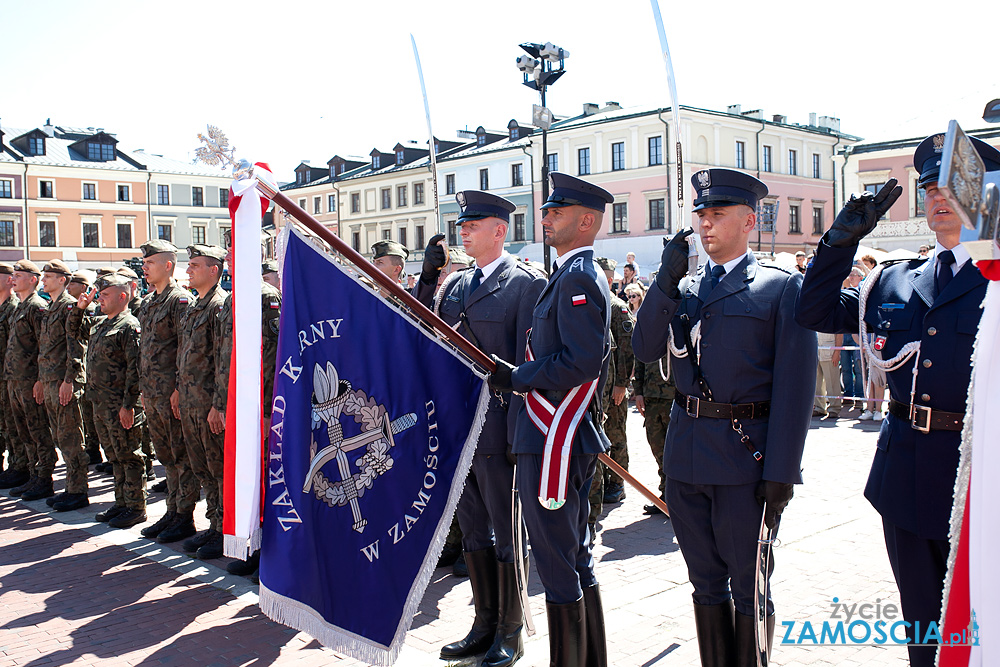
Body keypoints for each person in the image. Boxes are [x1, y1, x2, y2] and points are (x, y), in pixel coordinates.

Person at [794, 133, 1000, 667]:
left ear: (988, 194)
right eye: (928, 185)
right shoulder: (894, 280)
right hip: (906, 475)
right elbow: (812, 312)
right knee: (924, 632)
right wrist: (839, 241)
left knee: (982, 630)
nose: (936, 196)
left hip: (978, 481)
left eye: (953, 185)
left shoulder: (995, 281)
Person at [632, 168, 817, 666]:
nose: (705, 225)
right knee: (704, 581)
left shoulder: (781, 288)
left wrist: (782, 471)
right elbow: (645, 347)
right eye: (702, 215)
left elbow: (796, 389)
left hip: (744, 462)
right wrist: (665, 283)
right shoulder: (684, 288)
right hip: (687, 456)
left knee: (748, 581)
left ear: (749, 221)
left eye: (717, 214)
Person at [415, 190, 545, 667]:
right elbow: (422, 332)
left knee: (509, 533)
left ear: (500, 230)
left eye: (474, 224)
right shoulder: (453, 286)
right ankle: (483, 623)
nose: (463, 231)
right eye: (461, 225)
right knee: (474, 532)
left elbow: (530, 365)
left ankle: (511, 630)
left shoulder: (526, 284)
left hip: (501, 433)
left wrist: (519, 435)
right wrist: (428, 280)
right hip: (458, 432)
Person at [490, 172, 613, 666]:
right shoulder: (568, 273)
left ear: (586, 221)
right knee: (573, 558)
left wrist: (518, 377)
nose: (545, 218)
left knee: (558, 563)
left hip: (553, 439)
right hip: (552, 436)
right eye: (546, 211)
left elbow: (582, 361)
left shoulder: (580, 276)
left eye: (556, 213)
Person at [218, 235, 282, 576]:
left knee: (265, 480)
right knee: (248, 480)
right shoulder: (235, 294)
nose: (231, 258)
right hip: (240, 403)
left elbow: (271, 356)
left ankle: (269, 556)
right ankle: (252, 545)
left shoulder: (265, 295)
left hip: (260, 406)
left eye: (236, 252)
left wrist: (270, 406)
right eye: (229, 253)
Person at [134, 240, 200, 543]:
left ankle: (184, 517)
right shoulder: (149, 303)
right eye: (144, 263)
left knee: (180, 455)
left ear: (168, 265)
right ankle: (172, 510)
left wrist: (176, 389)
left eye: (150, 263)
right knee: (166, 457)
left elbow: (185, 349)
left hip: (172, 394)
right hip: (152, 393)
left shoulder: (180, 301)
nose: (144, 267)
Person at [69, 274, 147, 527]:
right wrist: (80, 309)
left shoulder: (128, 326)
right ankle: (122, 502)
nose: (99, 299)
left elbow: (135, 370)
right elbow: (73, 331)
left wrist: (128, 406)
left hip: (120, 404)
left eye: (105, 295)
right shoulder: (101, 323)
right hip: (101, 403)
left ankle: (136, 506)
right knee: (114, 456)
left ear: (122, 296)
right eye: (99, 295)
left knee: (129, 456)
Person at [176, 244, 229, 559]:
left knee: (217, 468)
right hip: (190, 402)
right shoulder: (196, 305)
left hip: (208, 403)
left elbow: (221, 361)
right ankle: (213, 526)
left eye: (195, 265)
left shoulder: (218, 306)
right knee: (203, 470)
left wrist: (218, 405)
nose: (189, 270)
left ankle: (223, 531)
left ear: (214, 270)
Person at [35, 260, 89, 509]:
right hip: (50, 381)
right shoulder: (51, 307)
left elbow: (76, 346)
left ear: (62, 280)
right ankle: (70, 487)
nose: (43, 280)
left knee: (71, 438)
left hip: (63, 383)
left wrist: (69, 380)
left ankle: (78, 490)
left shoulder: (69, 307)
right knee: (60, 436)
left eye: (48, 276)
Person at [5, 261, 57, 500]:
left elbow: (43, 345)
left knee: (38, 431)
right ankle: (31, 474)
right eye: (13, 275)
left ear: (33, 280)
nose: (14, 279)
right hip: (14, 380)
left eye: (19, 275)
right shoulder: (20, 307)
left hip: (29, 380)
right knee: (23, 430)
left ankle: (44, 478)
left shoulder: (37, 307)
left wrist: (39, 379)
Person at [594, 258, 634, 510]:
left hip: (614, 388)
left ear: (608, 280)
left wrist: (622, 384)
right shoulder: (594, 304)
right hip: (598, 387)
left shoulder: (617, 308)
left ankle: (617, 483)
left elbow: (628, 351)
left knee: (616, 434)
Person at [66, 271, 103, 467]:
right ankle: (92, 448)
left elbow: (84, 337)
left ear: (83, 287)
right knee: (88, 415)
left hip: (92, 369)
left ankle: (94, 448)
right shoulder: (77, 308)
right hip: (87, 369)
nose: (69, 287)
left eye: (74, 284)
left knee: (92, 414)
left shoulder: (94, 309)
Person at [632, 351, 674, 515]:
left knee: (677, 452)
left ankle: (677, 500)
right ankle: (665, 497)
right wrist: (639, 392)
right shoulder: (650, 331)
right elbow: (640, 360)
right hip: (651, 398)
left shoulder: (680, 327)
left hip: (674, 398)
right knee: (658, 450)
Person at [0, 263, 22, 489]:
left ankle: (19, 467)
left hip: (12, 376)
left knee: (12, 425)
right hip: (4, 376)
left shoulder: (14, 307)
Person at [814, 332, 842, 419]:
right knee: (816, 382)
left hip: (829, 351)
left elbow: (840, 333)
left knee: (832, 382)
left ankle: (834, 408)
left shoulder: (834, 317)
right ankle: (819, 407)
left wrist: (837, 352)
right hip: (815, 351)